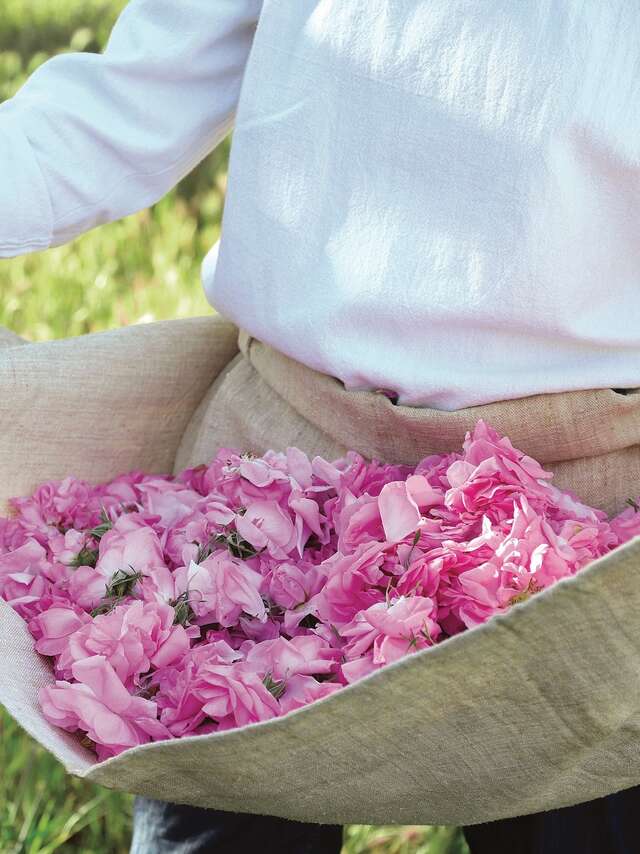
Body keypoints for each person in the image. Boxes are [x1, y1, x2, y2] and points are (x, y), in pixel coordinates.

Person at [2, 1, 640, 852]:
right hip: (274, 473)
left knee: (583, 821)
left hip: (579, 511)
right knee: (224, 810)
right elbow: (127, 102)